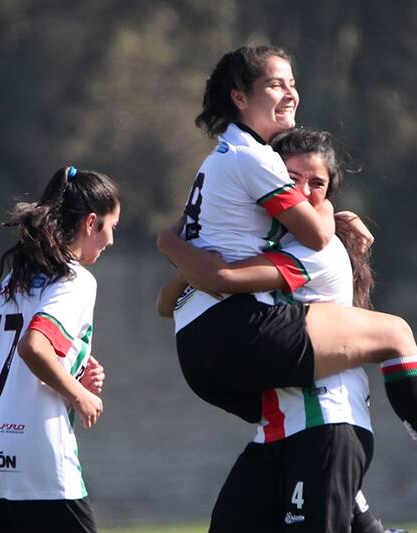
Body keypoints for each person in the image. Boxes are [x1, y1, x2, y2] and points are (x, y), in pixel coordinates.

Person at [157, 44, 417, 505]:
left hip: (197, 348)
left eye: (292, 82)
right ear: (239, 98)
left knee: (300, 428)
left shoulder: (218, 162)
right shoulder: (255, 160)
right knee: (395, 332)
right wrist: (329, 207)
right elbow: (310, 234)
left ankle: (367, 518)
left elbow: (171, 296)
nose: (290, 93)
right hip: (238, 336)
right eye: (274, 83)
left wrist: (165, 241)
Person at [157, 129, 402, 532]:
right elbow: (167, 304)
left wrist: (171, 242)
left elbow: (216, 278)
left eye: (317, 184)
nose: (303, 191)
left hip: (323, 419)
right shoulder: (269, 242)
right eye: (291, 180)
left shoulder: (313, 247)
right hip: (278, 427)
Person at [0, 166, 119, 533]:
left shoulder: (11, 281)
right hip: (37, 465)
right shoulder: (76, 280)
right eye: (113, 226)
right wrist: (79, 393)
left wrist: (70, 375)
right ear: (91, 223)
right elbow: (33, 347)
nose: (112, 240)